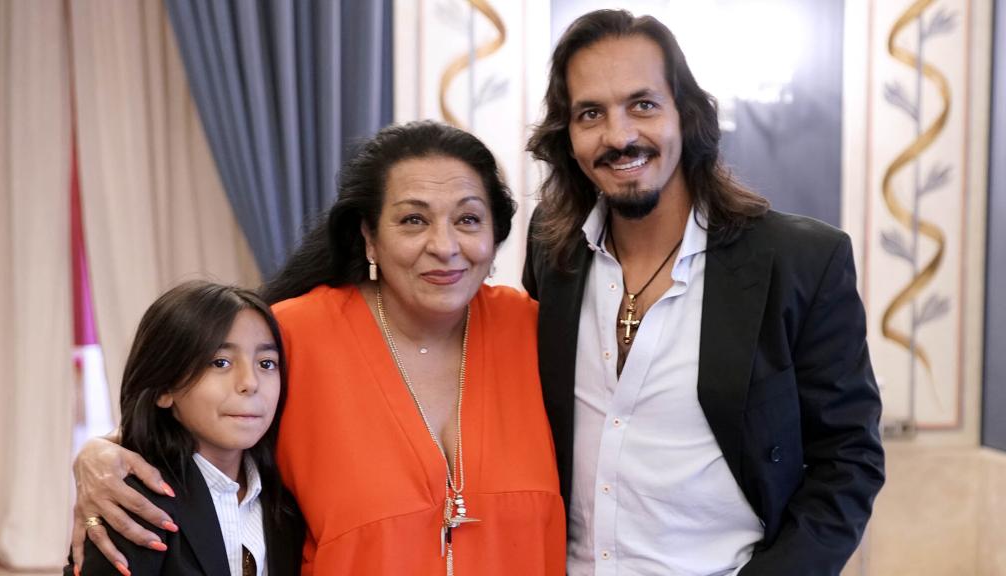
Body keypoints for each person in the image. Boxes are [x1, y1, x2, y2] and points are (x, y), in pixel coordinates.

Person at [70, 122, 566, 576]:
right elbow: (192, 411)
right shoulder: (292, 334)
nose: (444, 245)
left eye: (468, 219)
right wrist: (101, 454)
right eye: (413, 221)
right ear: (368, 237)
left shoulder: (537, 332)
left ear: (495, 232)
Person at [522, 9, 884, 576]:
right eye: (591, 113)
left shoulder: (802, 262)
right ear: (567, 136)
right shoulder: (553, 252)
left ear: (685, 116)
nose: (618, 137)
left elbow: (849, 461)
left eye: (643, 104)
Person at [65, 281, 302, 576]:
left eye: (266, 363)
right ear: (165, 388)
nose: (251, 383)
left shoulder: (287, 494)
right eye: (220, 362)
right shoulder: (134, 500)